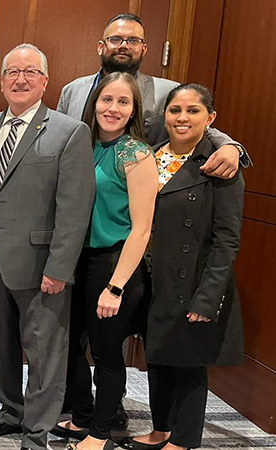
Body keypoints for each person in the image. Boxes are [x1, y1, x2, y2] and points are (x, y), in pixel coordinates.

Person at [0, 44, 95, 450]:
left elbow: (74, 209)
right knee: (1, 349)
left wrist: (60, 267)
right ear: (2, 80)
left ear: (45, 81)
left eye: (30, 72)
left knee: (44, 355)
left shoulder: (68, 131)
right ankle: (11, 412)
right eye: (12, 72)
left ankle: (36, 432)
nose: (20, 79)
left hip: (43, 266)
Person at [120, 84, 244, 450]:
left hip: (193, 279)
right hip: (150, 273)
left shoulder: (220, 164)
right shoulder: (153, 155)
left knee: (189, 363)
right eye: (175, 110)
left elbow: (227, 240)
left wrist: (208, 298)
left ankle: (185, 439)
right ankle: (161, 430)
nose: (182, 118)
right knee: (158, 355)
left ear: (211, 118)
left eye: (192, 111)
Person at [54, 72, 158, 450]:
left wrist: (115, 286)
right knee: (65, 345)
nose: (112, 108)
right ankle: (83, 417)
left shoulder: (136, 154)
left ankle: (101, 432)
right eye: (106, 100)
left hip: (114, 263)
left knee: (105, 353)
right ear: (94, 102)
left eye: (123, 102)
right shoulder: (84, 143)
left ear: (133, 111)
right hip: (78, 259)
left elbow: (142, 229)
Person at [57, 13, 249, 178]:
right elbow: (58, 139)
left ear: (144, 49)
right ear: (101, 46)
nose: (123, 46)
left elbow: (197, 124)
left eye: (133, 40)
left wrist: (231, 147)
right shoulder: (72, 90)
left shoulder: (167, 92)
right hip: (76, 185)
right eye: (115, 39)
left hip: (136, 193)